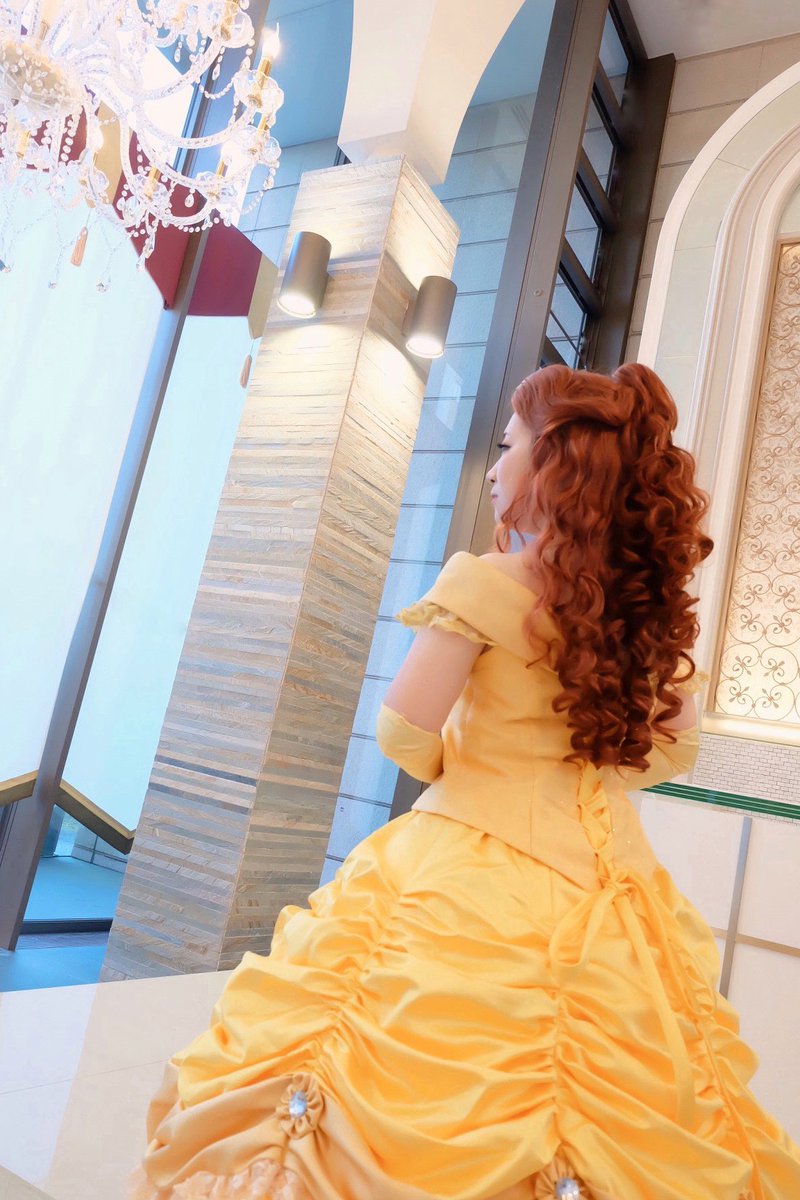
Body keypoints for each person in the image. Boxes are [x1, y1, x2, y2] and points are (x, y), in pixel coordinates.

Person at [130, 363, 800, 1200]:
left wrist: (468, 768)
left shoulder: (487, 581)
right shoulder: (638, 613)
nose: (493, 465)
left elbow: (403, 727)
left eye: (508, 445)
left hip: (464, 862)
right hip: (604, 880)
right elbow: (671, 756)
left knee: (369, 1045)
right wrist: (580, 769)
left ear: (553, 464)